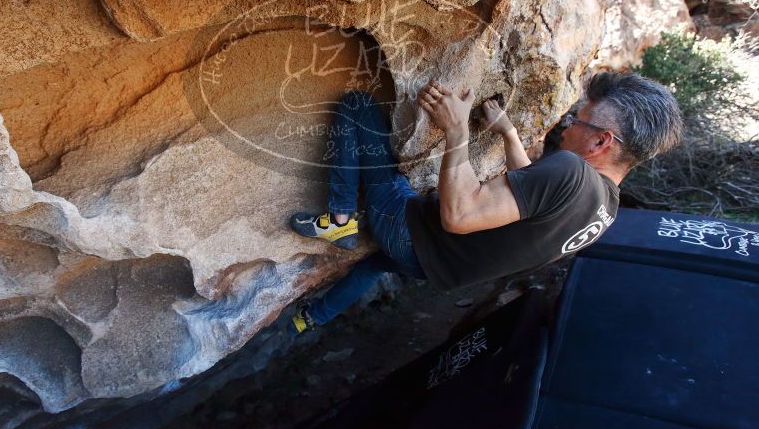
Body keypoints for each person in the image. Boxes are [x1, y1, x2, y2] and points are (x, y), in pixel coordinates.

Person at [288, 72, 684, 334]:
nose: (566, 125)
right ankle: (313, 317)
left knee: (358, 105)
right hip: (430, 267)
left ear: (602, 141)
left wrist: (456, 128)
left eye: (577, 120)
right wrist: (509, 135)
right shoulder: (604, 208)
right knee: (376, 262)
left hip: (409, 230)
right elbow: (535, 194)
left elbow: (460, 215)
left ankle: (339, 216)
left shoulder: (571, 171)